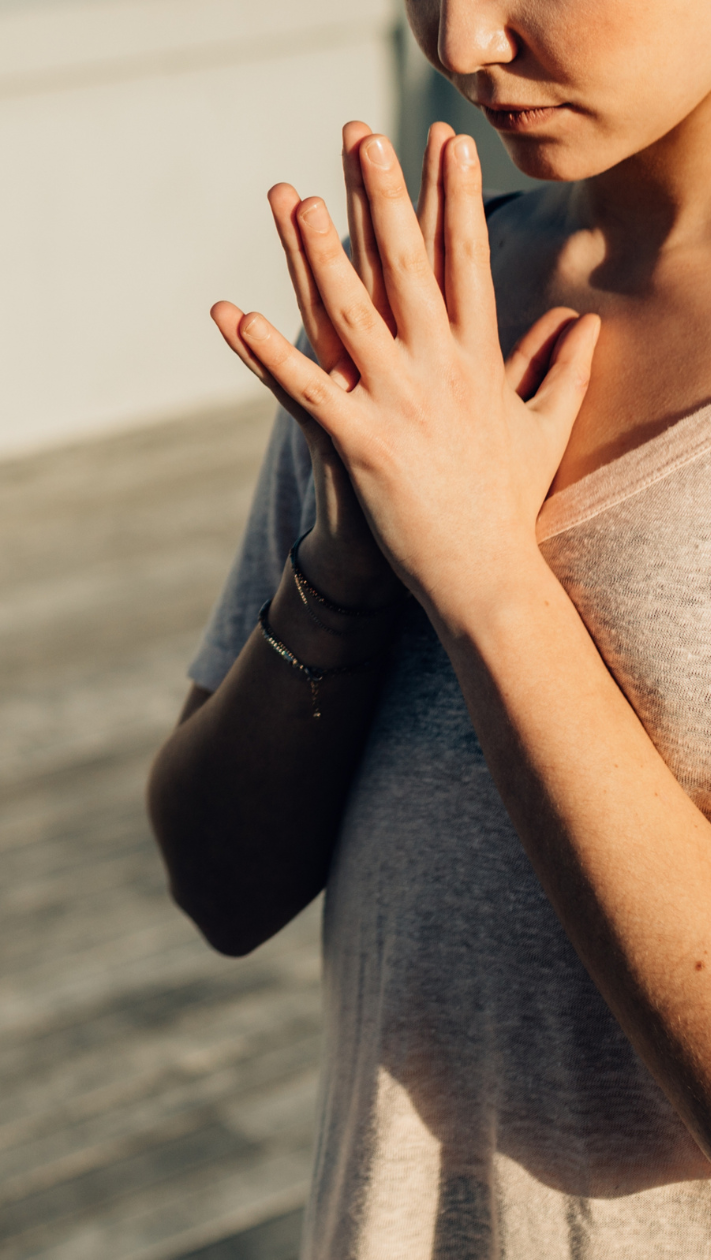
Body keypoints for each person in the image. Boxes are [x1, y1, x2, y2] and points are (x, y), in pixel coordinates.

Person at [145, 0, 711, 1254]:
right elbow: (216, 884)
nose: (457, 44)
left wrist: (479, 578)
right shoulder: (419, 329)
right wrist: (343, 565)